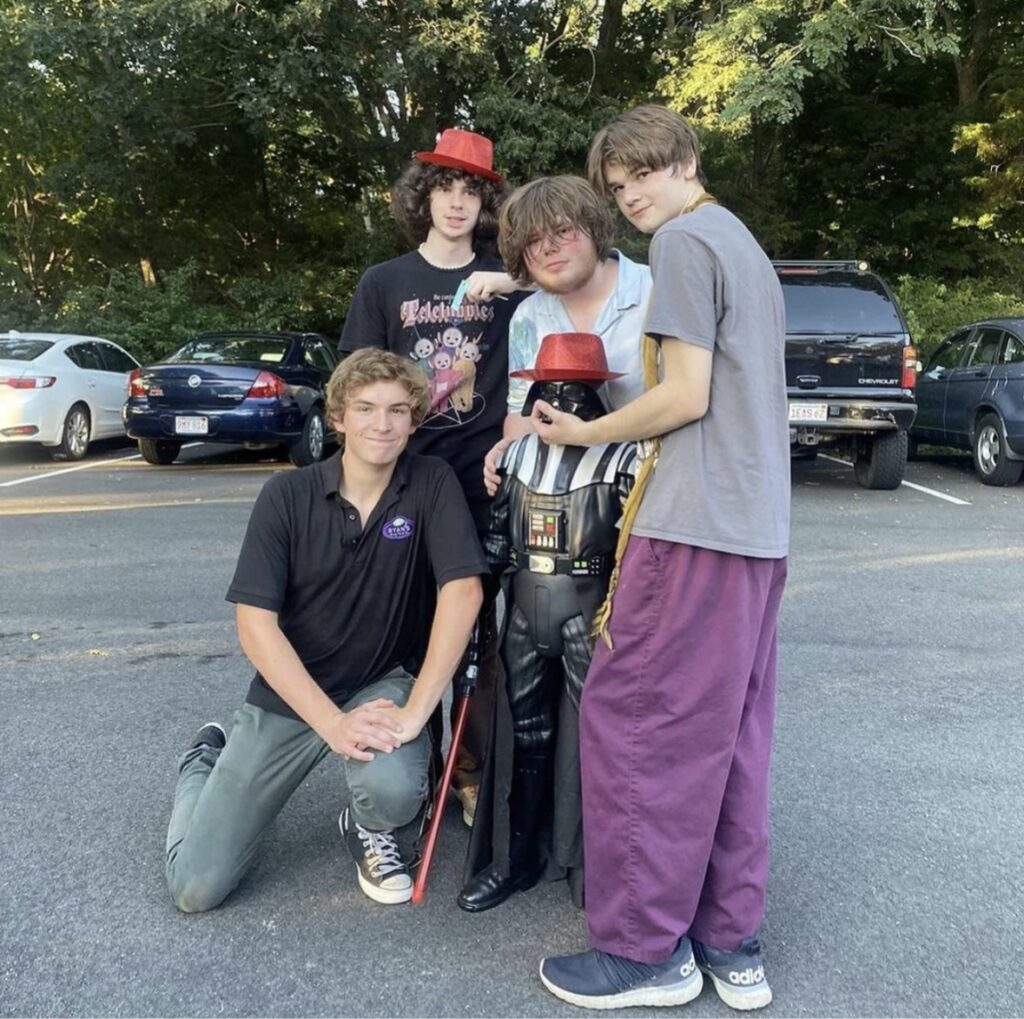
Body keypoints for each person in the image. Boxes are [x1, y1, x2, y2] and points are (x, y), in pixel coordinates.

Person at [533, 105, 790, 1012]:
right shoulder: (743, 244)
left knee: (639, 721)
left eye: (644, 172)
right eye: (618, 185)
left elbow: (685, 395)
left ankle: (645, 951)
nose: (632, 194)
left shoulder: (683, 242)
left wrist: (586, 431)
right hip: (757, 530)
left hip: (692, 526)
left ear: (686, 159)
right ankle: (729, 938)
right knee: (729, 736)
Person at [164, 349, 486, 911]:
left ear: (414, 419)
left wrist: (417, 711)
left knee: (393, 791)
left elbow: (463, 592)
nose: (382, 424)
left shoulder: (431, 482)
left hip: (381, 684)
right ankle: (203, 763)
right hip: (293, 696)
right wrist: (331, 723)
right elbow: (255, 623)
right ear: (337, 417)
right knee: (195, 888)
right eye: (365, 408)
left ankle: (367, 826)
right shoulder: (286, 496)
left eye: (397, 410)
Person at [340, 128, 523, 823]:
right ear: (424, 196)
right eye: (444, 187)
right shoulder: (384, 283)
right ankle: (413, 762)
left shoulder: (510, 280)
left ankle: (470, 772)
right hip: (406, 482)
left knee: (480, 637)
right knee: (408, 632)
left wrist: (513, 279)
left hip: (485, 483)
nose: (456, 201)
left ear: (486, 203)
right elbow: (356, 385)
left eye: (471, 190)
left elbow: (587, 274)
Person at [458, 333, 636, 915]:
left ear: (597, 396)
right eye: (550, 391)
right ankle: (516, 858)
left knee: (598, 735)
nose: (560, 403)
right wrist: (477, 607)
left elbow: (640, 552)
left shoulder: (626, 458)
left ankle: (593, 865)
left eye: (575, 392)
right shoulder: (513, 457)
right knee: (524, 732)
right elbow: (495, 535)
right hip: (525, 602)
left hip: (593, 607)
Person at [481, 175, 652, 494]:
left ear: (594, 228)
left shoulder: (656, 293)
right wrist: (511, 453)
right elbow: (522, 411)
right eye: (533, 240)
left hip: (658, 491)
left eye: (562, 231)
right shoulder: (528, 317)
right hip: (570, 501)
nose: (548, 248)